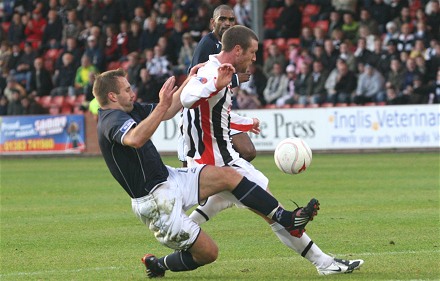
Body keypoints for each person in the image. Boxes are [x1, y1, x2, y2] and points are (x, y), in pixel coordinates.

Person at [93, 66, 319, 278]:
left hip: (168, 178)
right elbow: (135, 139)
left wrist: (189, 81)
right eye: (127, 89)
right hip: (155, 202)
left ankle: (286, 218)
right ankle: (159, 265)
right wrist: (162, 105)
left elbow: (170, 108)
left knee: (229, 175)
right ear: (112, 96)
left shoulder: (129, 110)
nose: (132, 92)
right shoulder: (111, 120)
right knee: (209, 253)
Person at [181, 25, 364, 276]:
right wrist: (216, 82)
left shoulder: (217, 71)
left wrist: (246, 122)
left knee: (235, 201)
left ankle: (176, 239)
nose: (254, 58)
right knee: (272, 212)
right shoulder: (212, 72)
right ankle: (324, 264)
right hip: (217, 164)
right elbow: (187, 99)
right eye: (252, 52)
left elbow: (215, 115)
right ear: (237, 49)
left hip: (222, 160)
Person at [183, 4, 256, 165]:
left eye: (231, 19)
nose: (227, 23)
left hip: (219, 107)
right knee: (192, 165)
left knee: (248, 151)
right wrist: (235, 79)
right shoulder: (207, 44)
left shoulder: (231, 45)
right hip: (198, 112)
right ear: (212, 22)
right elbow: (197, 78)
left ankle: (224, 178)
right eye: (222, 19)